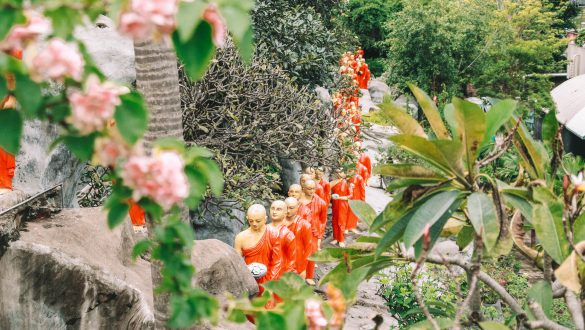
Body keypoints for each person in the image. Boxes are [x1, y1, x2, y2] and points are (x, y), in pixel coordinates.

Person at [234, 204, 282, 294]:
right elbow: (237, 262)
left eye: (258, 221)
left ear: (265, 219)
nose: (254, 224)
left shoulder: (274, 234)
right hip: (248, 277)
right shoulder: (240, 237)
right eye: (251, 221)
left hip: (269, 275)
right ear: (247, 218)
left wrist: (270, 283)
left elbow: (277, 262)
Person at [298, 179, 327, 285]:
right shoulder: (297, 201)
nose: (312, 191)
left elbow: (323, 221)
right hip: (298, 230)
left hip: (313, 231)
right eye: (309, 189)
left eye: (313, 188)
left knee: (312, 252)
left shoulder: (321, 203)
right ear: (303, 189)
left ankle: (309, 275)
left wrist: (319, 237)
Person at [284, 197, 313, 278]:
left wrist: (303, 269)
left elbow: (308, 249)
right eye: (286, 208)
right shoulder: (279, 222)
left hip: (297, 262)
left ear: (297, 207)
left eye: (291, 208)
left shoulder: (304, 225)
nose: (288, 211)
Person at [268, 200, 296, 277]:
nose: (274, 211)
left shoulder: (288, 235)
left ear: (285, 213)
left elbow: (291, 260)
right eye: (272, 208)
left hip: (278, 272)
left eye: (278, 209)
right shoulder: (264, 229)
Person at [330, 170, 351, 247]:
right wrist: (331, 196)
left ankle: (341, 239)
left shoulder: (347, 183)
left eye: (341, 172)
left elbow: (350, 196)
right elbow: (328, 190)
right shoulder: (334, 182)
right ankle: (335, 238)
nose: (339, 173)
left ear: (345, 173)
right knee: (334, 221)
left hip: (343, 205)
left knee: (341, 222)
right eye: (337, 172)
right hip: (335, 204)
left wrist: (340, 197)